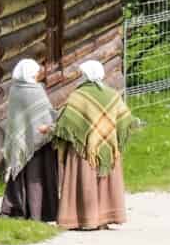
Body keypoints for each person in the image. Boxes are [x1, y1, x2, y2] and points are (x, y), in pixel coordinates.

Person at [52, 59, 131, 230]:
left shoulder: (78, 95)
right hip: (108, 146)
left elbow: (66, 124)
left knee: (84, 180)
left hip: (84, 151)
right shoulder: (113, 94)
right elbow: (125, 120)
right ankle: (104, 218)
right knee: (105, 182)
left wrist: (54, 132)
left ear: (85, 75)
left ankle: (81, 219)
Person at [0, 58, 59, 222]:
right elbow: (45, 116)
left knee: (19, 175)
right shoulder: (35, 90)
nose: (39, 73)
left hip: (22, 141)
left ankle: (13, 208)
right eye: (36, 71)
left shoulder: (15, 90)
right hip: (39, 143)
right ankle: (39, 212)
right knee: (37, 177)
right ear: (30, 73)